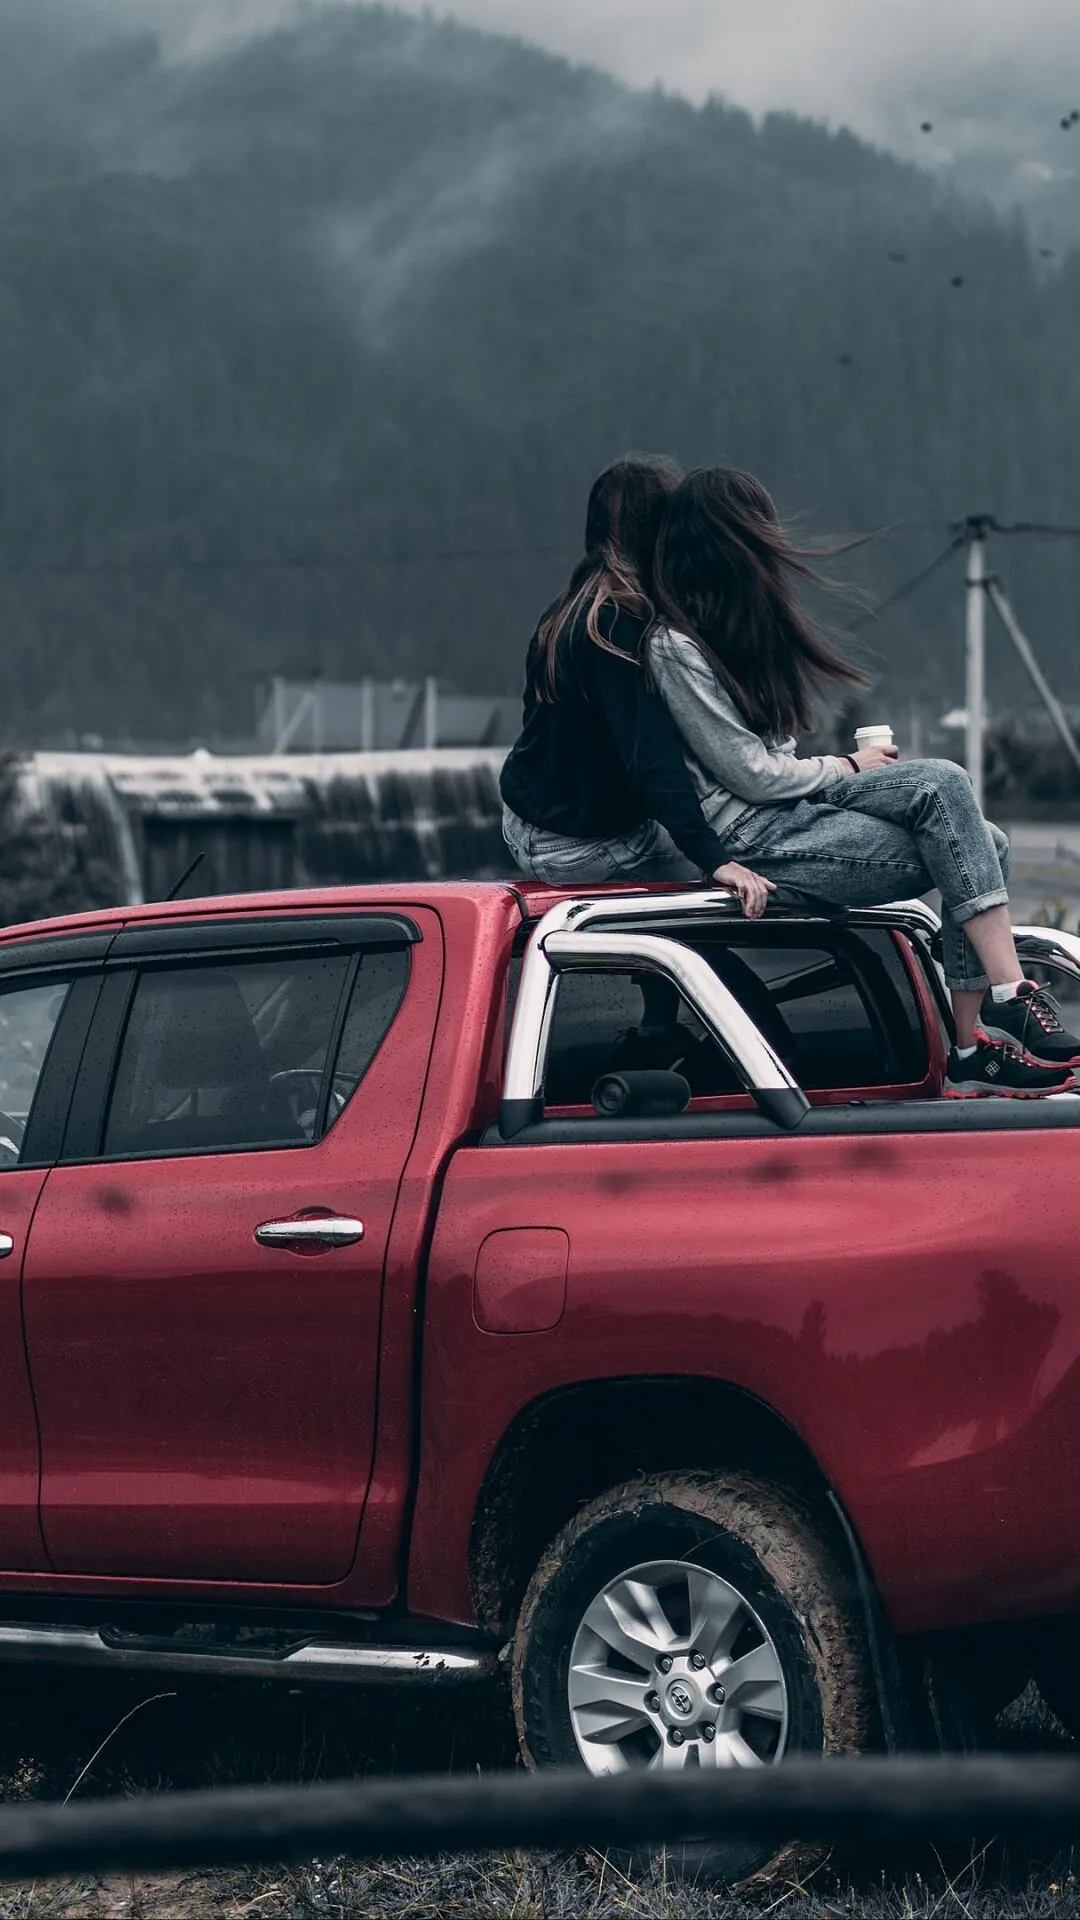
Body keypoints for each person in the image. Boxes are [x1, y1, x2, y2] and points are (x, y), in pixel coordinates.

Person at [646, 465, 1080, 1099]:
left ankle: (975, 1037)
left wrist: (832, 773)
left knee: (966, 815)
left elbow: (774, 755)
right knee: (975, 832)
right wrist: (847, 768)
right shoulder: (673, 646)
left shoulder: (737, 625)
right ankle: (1004, 1001)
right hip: (752, 830)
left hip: (792, 800)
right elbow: (747, 774)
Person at [499, 455, 774, 917]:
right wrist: (716, 860)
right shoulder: (619, 629)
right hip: (578, 846)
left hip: (527, 822)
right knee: (754, 851)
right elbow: (653, 758)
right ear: (659, 533)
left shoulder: (568, 611)